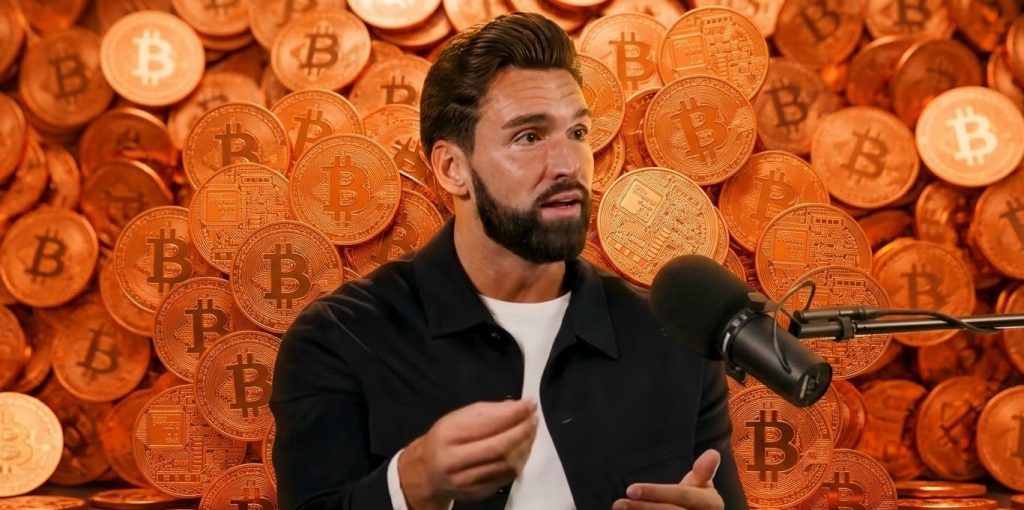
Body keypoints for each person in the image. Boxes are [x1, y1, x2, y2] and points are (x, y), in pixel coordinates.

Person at [270, 12, 747, 510]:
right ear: (452, 168)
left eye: (577, 133)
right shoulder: (340, 339)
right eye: (529, 137)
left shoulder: (673, 342)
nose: (568, 164)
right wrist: (411, 483)